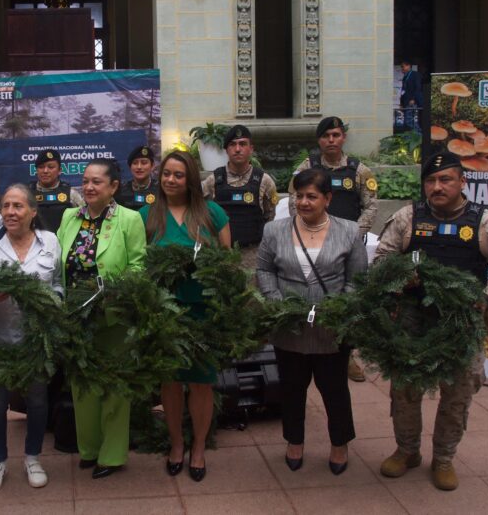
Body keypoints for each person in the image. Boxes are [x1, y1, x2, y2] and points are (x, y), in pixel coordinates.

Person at [375, 151, 488, 491]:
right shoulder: (407, 218)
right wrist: (401, 278)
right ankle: (407, 450)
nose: (437, 187)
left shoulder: (485, 223)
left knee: (457, 393)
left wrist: (486, 296)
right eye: (431, 180)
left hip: (463, 322)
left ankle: (444, 458)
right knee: (405, 390)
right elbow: (382, 259)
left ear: (462, 182)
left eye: (446, 180)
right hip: (413, 321)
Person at [257, 169, 367, 477]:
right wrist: (277, 302)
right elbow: (264, 270)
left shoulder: (348, 231)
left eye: (311, 196)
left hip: (331, 331)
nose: (303, 202)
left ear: (327, 199)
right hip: (289, 329)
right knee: (292, 389)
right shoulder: (274, 231)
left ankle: (339, 444)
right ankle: (294, 441)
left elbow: (357, 280)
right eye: (298, 196)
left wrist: (338, 308)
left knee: (334, 389)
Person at [140, 150, 230, 482]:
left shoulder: (212, 213)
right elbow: (140, 266)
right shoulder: (147, 216)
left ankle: (199, 447)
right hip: (164, 314)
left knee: (201, 383)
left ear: (190, 178)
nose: (171, 180)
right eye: (166, 174)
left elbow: (226, 265)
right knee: (171, 383)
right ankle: (176, 444)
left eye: (178, 174)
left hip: (202, 313)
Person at [56, 158, 146, 479]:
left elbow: (138, 266)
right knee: (82, 384)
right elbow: (58, 261)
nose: (89, 187)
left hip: (113, 316)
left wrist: (115, 292)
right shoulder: (69, 216)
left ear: (113, 187)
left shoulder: (129, 219)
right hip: (75, 317)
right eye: (86, 181)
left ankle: (111, 454)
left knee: (114, 387)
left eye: (97, 182)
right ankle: (89, 449)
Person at [0, 183, 63, 493]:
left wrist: (50, 302)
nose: (11, 212)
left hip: (34, 339)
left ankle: (32, 457)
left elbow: (57, 284)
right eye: (6, 206)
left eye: (18, 206)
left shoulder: (50, 242)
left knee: (38, 399)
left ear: (32, 211)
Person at [291, 116, 378, 382]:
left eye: (336, 135)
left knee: (347, 299)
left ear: (343, 138)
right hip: (313, 245)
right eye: (326, 135)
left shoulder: (359, 170)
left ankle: (347, 353)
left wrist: (351, 235)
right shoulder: (307, 167)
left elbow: (371, 206)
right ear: (319, 140)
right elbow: (296, 201)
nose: (331, 140)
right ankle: (307, 346)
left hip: (349, 247)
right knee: (313, 295)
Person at [201, 125, 278, 268]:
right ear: (226, 150)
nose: (237, 149)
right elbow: (199, 211)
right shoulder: (213, 181)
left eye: (243, 144)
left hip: (253, 255)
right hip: (221, 256)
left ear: (251, 149)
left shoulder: (264, 181)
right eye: (232, 145)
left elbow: (269, 216)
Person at [30, 149, 83, 233]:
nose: (45, 171)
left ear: (59, 170)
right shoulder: (27, 194)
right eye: (41, 167)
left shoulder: (71, 194)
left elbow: (84, 220)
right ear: (36, 170)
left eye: (51, 167)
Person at [115, 145, 159, 211]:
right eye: (135, 163)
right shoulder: (121, 189)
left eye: (144, 163)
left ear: (152, 166)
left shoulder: (160, 189)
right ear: (130, 167)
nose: (139, 167)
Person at [399, 61, 423, 131]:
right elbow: (403, 90)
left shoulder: (415, 74)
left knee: (409, 120)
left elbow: (418, 87)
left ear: (408, 66)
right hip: (406, 101)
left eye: (403, 66)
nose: (402, 68)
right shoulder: (405, 76)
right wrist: (401, 103)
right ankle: (414, 136)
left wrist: (413, 99)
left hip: (413, 101)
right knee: (408, 120)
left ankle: (419, 135)